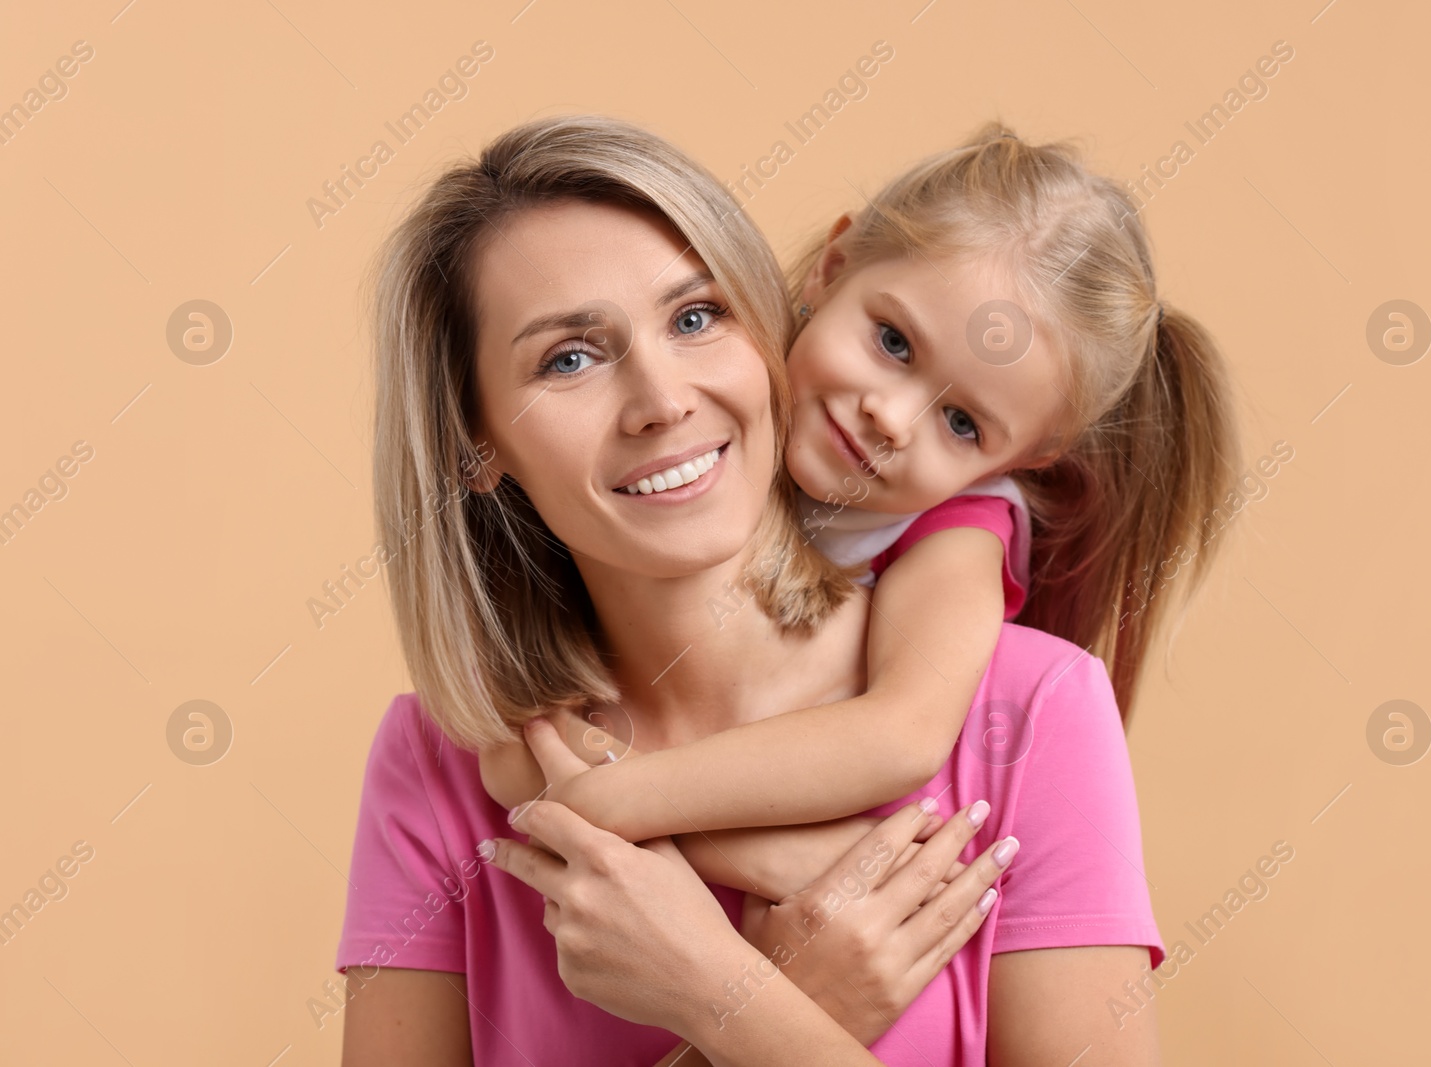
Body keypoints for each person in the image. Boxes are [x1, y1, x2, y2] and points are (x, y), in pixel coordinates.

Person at [338, 114, 1176, 1065]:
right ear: (475, 445)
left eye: (694, 318)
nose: (662, 400)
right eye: (567, 357)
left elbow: (898, 735)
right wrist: (747, 1011)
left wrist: (718, 991)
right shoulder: (440, 760)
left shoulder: (1030, 712)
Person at [474, 122, 1239, 879]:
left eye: (962, 422)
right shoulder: (708, 423)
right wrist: (786, 862)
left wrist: (619, 801)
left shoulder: (960, 533)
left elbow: (901, 735)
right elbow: (512, 767)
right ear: (832, 267)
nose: (891, 418)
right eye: (894, 342)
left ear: (1027, 456)